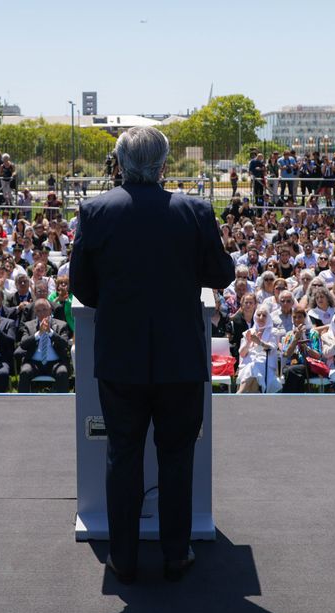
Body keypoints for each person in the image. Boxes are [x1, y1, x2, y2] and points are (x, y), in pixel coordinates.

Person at [70, 126, 234, 584]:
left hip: (120, 356)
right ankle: (175, 554)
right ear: (164, 165)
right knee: (177, 456)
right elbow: (221, 275)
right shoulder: (195, 211)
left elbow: (82, 287)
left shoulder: (95, 211)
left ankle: (123, 558)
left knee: (123, 454)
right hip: (179, 356)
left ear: (120, 164)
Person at [16, 297, 72, 393]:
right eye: (38, 311)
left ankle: (63, 401)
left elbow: (64, 344)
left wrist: (50, 332)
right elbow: (23, 344)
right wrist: (38, 334)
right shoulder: (28, 326)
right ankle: (22, 400)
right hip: (34, 363)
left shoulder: (61, 325)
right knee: (25, 371)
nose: (42, 313)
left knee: (62, 372)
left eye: (44, 310)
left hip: (56, 362)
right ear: (35, 312)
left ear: (50, 310)